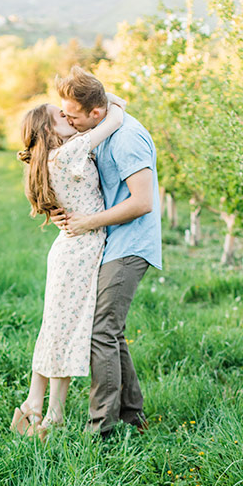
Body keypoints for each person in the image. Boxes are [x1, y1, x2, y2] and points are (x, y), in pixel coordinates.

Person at [50, 66, 161, 437]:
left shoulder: (127, 138)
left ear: (96, 114)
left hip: (131, 244)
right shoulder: (103, 128)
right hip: (115, 240)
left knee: (101, 330)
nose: (66, 120)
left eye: (73, 115)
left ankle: (100, 429)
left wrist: (89, 221)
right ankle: (133, 417)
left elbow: (143, 201)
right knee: (111, 331)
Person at [14, 86, 128, 437]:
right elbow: (115, 118)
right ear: (49, 131)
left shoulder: (54, 157)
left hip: (73, 249)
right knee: (62, 330)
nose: (68, 117)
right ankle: (45, 411)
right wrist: (110, 103)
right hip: (78, 253)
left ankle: (42, 409)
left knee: (59, 328)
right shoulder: (66, 154)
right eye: (61, 116)